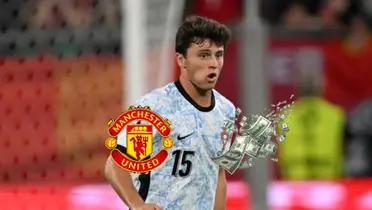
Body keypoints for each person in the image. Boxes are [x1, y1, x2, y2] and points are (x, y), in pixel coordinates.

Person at [105, 15, 235, 210]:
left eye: (219, 54)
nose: (214, 63)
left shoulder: (226, 110)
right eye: (204, 55)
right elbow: (116, 165)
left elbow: (218, 174)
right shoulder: (154, 106)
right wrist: (137, 205)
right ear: (181, 60)